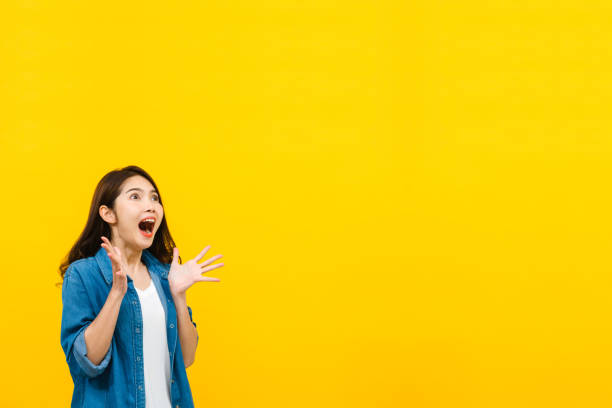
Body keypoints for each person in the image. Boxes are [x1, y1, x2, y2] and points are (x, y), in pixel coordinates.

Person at [59, 165, 224, 408]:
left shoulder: (165, 276)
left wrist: (179, 296)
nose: (150, 205)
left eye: (154, 198)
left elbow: (187, 358)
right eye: (135, 196)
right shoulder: (83, 275)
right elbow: (87, 361)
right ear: (108, 214)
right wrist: (116, 292)